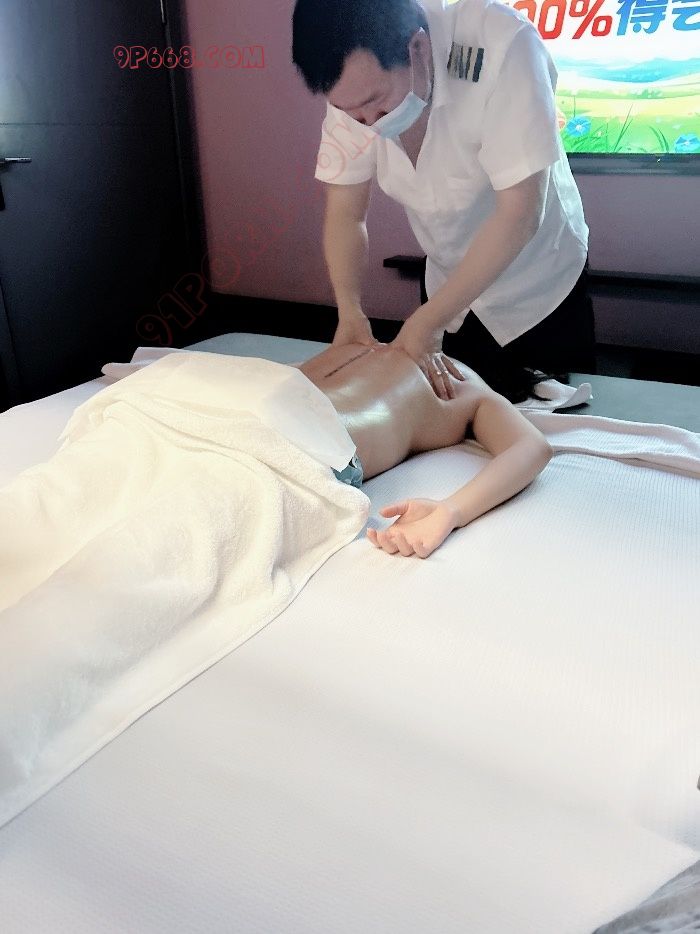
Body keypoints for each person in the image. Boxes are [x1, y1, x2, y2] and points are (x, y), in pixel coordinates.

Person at [292, 0, 596, 405]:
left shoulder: (503, 44)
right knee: (452, 410)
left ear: (418, 49)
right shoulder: (353, 94)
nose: (367, 121)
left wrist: (427, 323)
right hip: (447, 282)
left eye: (377, 102)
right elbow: (346, 214)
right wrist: (349, 311)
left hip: (537, 286)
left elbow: (520, 213)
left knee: (550, 419)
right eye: (351, 113)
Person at [292, 341, 552, 559]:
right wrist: (451, 510)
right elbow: (533, 446)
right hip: (319, 441)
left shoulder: (356, 346)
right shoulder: (461, 381)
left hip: (286, 411)